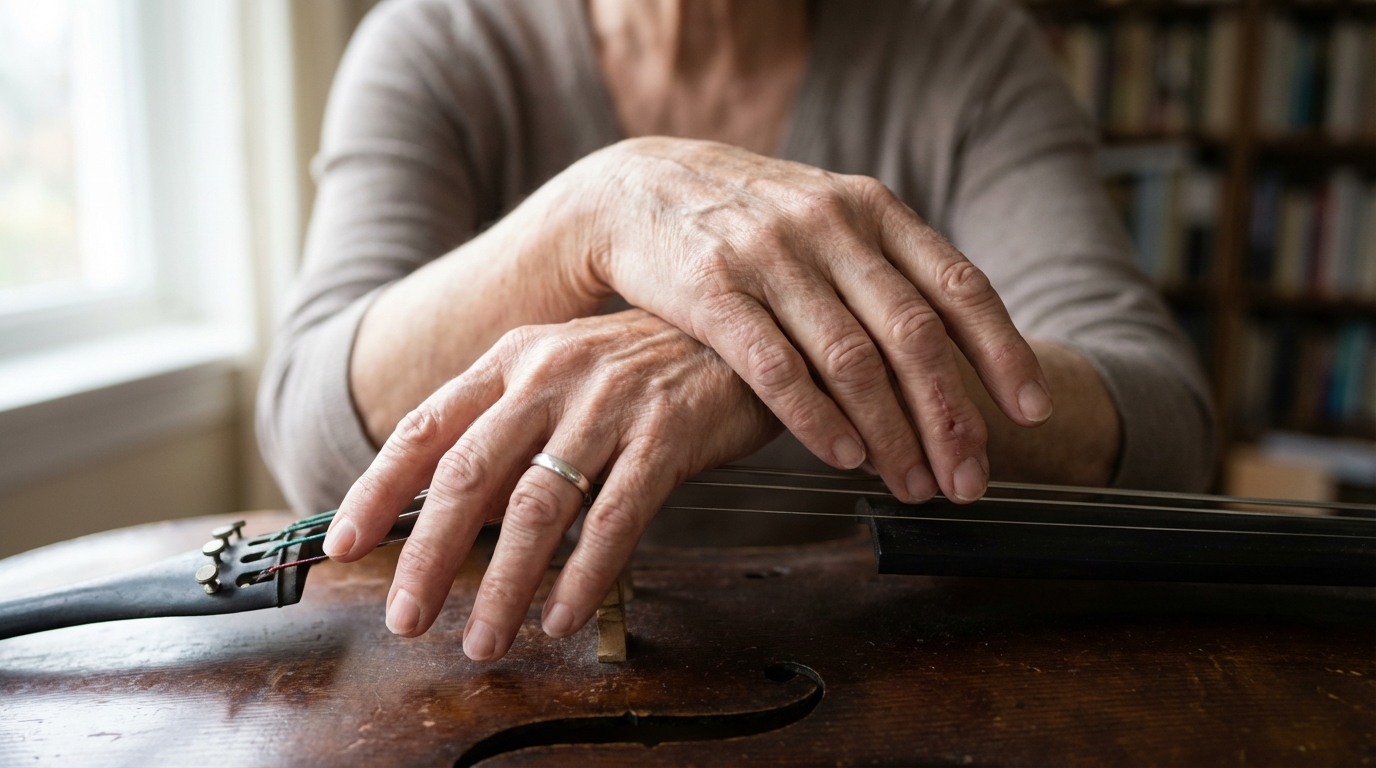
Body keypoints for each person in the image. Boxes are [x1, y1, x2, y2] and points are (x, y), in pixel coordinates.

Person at [257, 0, 1216, 663]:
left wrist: (756, 352)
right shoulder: (439, 40)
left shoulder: (969, 50)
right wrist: (591, 213)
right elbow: (310, 430)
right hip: (508, 676)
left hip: (867, 678)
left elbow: (1162, 422)